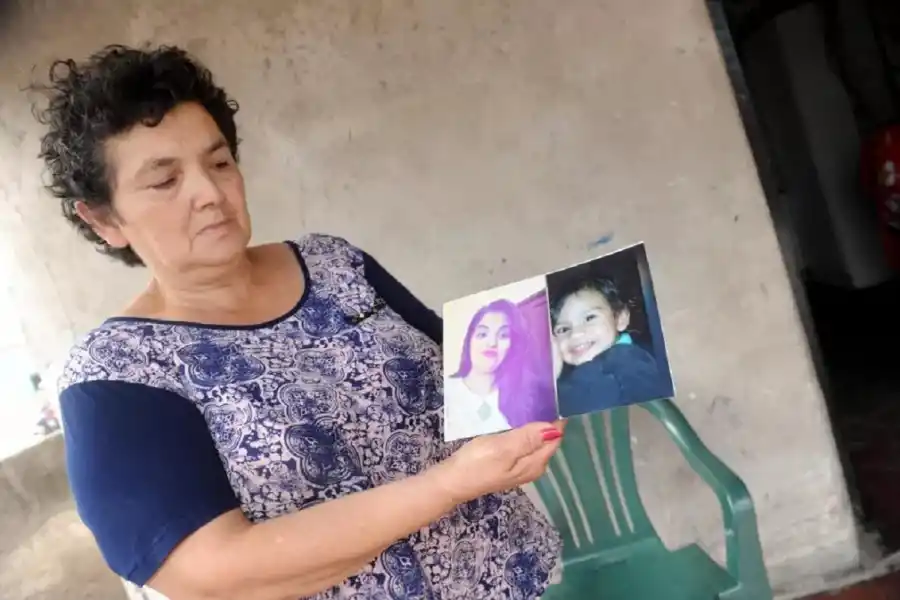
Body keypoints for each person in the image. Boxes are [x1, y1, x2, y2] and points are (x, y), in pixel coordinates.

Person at [36, 45, 563, 600]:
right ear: (103, 219)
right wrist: (449, 485)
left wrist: (547, 381)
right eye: (164, 181)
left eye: (219, 163)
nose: (210, 194)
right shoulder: (116, 376)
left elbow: (464, 375)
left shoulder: (333, 265)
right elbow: (214, 572)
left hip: (521, 581)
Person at [550, 276, 671, 417]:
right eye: (563, 329)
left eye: (589, 318)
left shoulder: (625, 362)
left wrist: (548, 386)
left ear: (620, 319)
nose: (575, 334)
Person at [445, 299, 558, 440]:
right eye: (482, 334)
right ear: (469, 341)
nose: (492, 343)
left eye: (503, 335)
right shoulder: (446, 392)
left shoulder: (525, 397)